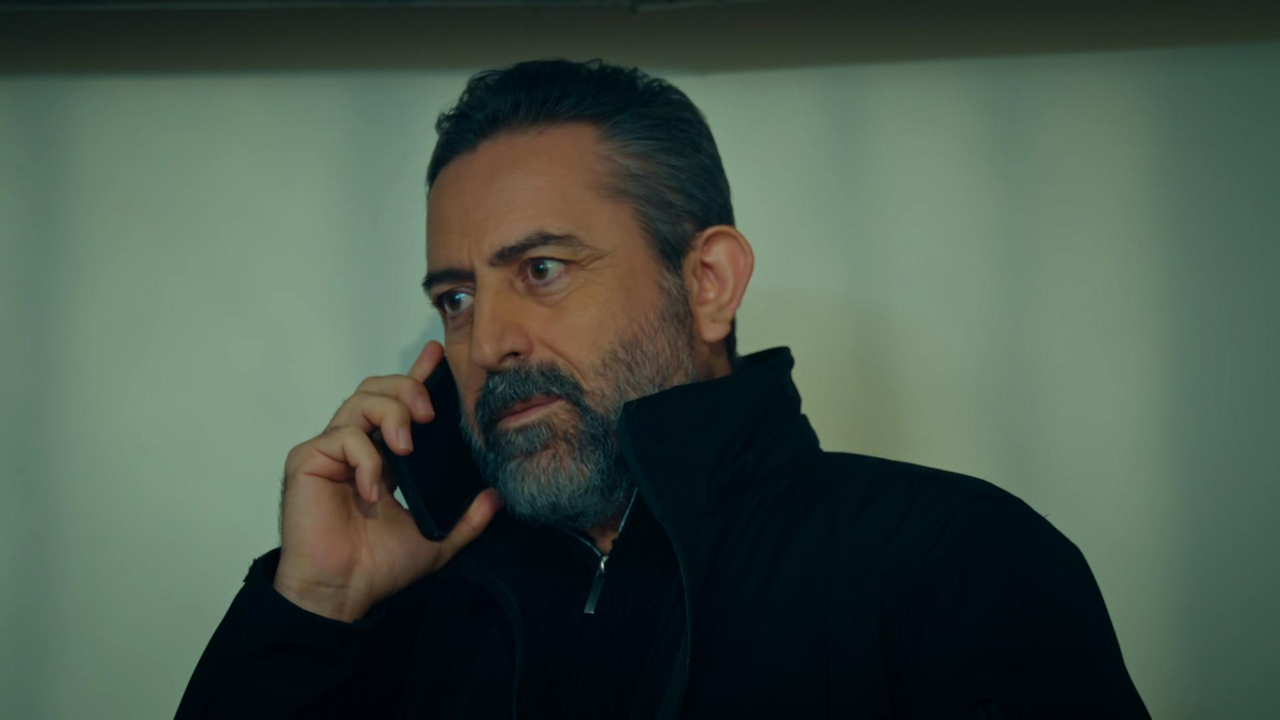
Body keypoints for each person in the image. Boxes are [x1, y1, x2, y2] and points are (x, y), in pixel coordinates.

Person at [177, 59, 1149, 719]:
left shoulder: (955, 562)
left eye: (542, 270)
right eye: (457, 298)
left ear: (708, 283)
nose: (489, 342)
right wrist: (310, 611)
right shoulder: (405, 611)